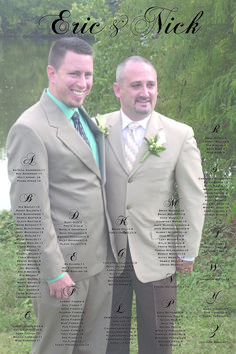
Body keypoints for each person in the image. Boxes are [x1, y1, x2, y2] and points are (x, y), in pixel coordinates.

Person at [7, 37, 116, 354]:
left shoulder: (82, 116)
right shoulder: (29, 128)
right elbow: (30, 210)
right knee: (55, 348)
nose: (83, 83)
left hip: (98, 262)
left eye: (88, 75)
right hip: (63, 271)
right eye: (74, 74)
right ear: (51, 73)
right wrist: (54, 271)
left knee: (92, 348)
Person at [99, 56, 206, 353]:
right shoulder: (97, 129)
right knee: (110, 340)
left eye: (151, 84)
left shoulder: (179, 135)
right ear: (118, 90)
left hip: (158, 256)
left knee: (158, 340)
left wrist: (187, 249)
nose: (145, 92)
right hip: (107, 254)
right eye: (136, 85)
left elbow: (193, 197)